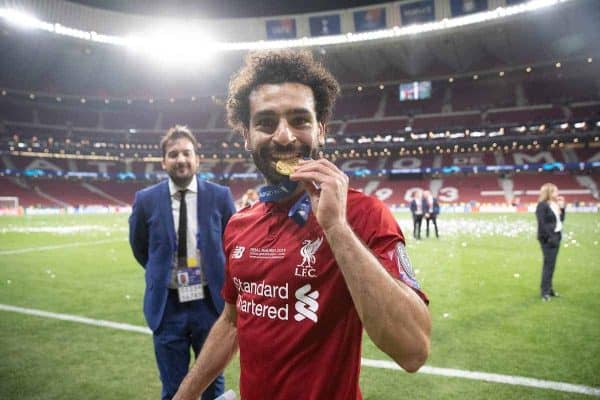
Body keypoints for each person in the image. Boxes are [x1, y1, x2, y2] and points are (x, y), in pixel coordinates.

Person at [174, 50, 430, 400]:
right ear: (246, 135)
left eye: (300, 120)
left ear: (320, 130)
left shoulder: (363, 214)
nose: (284, 137)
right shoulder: (239, 224)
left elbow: (413, 350)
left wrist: (336, 228)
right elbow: (233, 321)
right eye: (265, 122)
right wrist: (184, 395)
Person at [129, 126, 236, 400]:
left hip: (209, 305)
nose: (181, 159)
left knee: (212, 384)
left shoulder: (220, 196)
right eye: (173, 154)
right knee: (173, 389)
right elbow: (140, 247)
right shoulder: (146, 200)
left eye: (187, 153)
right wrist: (162, 273)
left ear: (197, 159)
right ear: (164, 161)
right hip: (168, 306)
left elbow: (232, 243)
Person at [535, 183, 566, 302]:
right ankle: (544, 292)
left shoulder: (554, 204)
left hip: (556, 236)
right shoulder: (542, 205)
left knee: (552, 265)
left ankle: (549, 289)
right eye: (555, 191)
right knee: (548, 266)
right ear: (548, 193)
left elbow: (560, 220)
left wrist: (562, 208)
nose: (557, 193)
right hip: (548, 239)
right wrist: (550, 237)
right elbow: (542, 224)